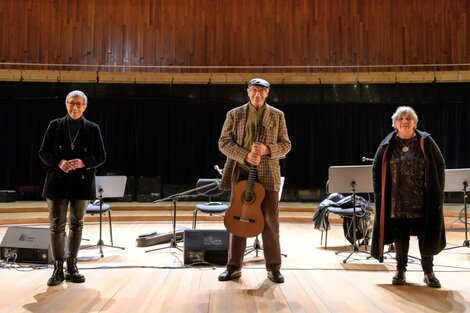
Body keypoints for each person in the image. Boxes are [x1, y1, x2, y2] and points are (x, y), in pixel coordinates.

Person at [217, 78, 291, 283]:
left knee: (269, 220)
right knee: (237, 217)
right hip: (241, 171)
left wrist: (267, 150)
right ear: (248, 92)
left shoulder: (277, 116)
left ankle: (273, 268)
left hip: (268, 174)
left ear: (268, 93)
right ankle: (233, 267)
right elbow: (223, 143)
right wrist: (245, 156)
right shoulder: (234, 114)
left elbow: (286, 145)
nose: (257, 94)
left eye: (262, 91)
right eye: (254, 90)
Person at [370, 106, 446, 288]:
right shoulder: (387, 144)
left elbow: (440, 165)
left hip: (423, 201)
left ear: (415, 122)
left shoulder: (426, 141)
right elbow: (376, 170)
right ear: (395, 123)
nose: (405, 121)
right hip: (396, 202)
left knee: (425, 234)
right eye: (401, 118)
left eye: (409, 118)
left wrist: (438, 192)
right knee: (400, 235)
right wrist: (380, 195)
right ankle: (400, 270)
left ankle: (428, 272)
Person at [38, 90, 106, 286]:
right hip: (57, 182)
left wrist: (84, 162)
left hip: (82, 183)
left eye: (78, 104)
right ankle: (58, 268)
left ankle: (72, 265)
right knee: (56, 226)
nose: (74, 107)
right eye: (71, 103)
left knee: (77, 225)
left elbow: (101, 156)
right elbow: (43, 152)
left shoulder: (93, 128)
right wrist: (59, 162)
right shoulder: (55, 126)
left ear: (85, 106)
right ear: (66, 104)